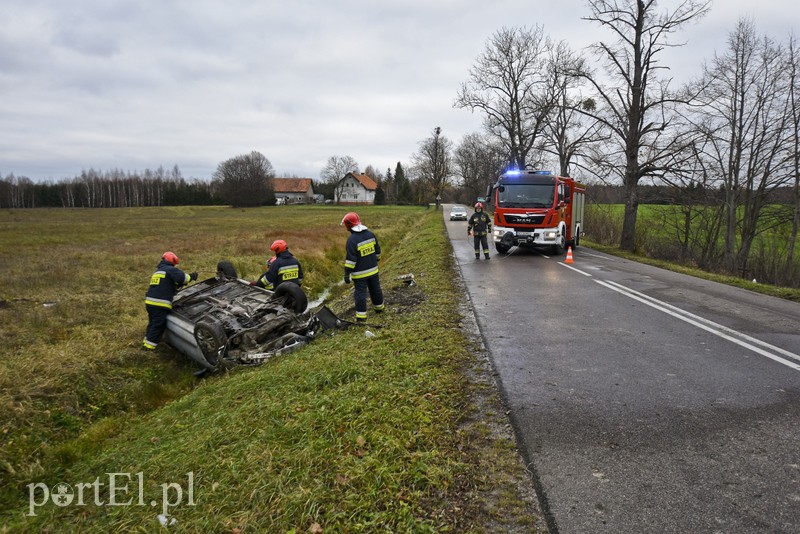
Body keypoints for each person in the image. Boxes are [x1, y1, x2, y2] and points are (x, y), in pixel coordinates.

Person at [143, 251, 197, 350]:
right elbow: (183, 278)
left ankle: (145, 342)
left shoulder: (158, 271)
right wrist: (192, 276)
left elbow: (165, 285)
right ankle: (148, 348)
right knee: (159, 325)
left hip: (150, 303)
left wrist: (176, 285)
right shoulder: (170, 269)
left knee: (152, 323)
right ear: (172, 261)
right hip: (159, 303)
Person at [341, 212, 384, 322]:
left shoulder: (351, 240)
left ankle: (361, 317)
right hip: (374, 270)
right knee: (376, 289)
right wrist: (375, 260)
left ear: (348, 226)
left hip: (360, 274)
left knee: (360, 293)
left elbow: (351, 261)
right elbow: (377, 251)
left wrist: (347, 274)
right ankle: (379, 309)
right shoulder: (370, 234)